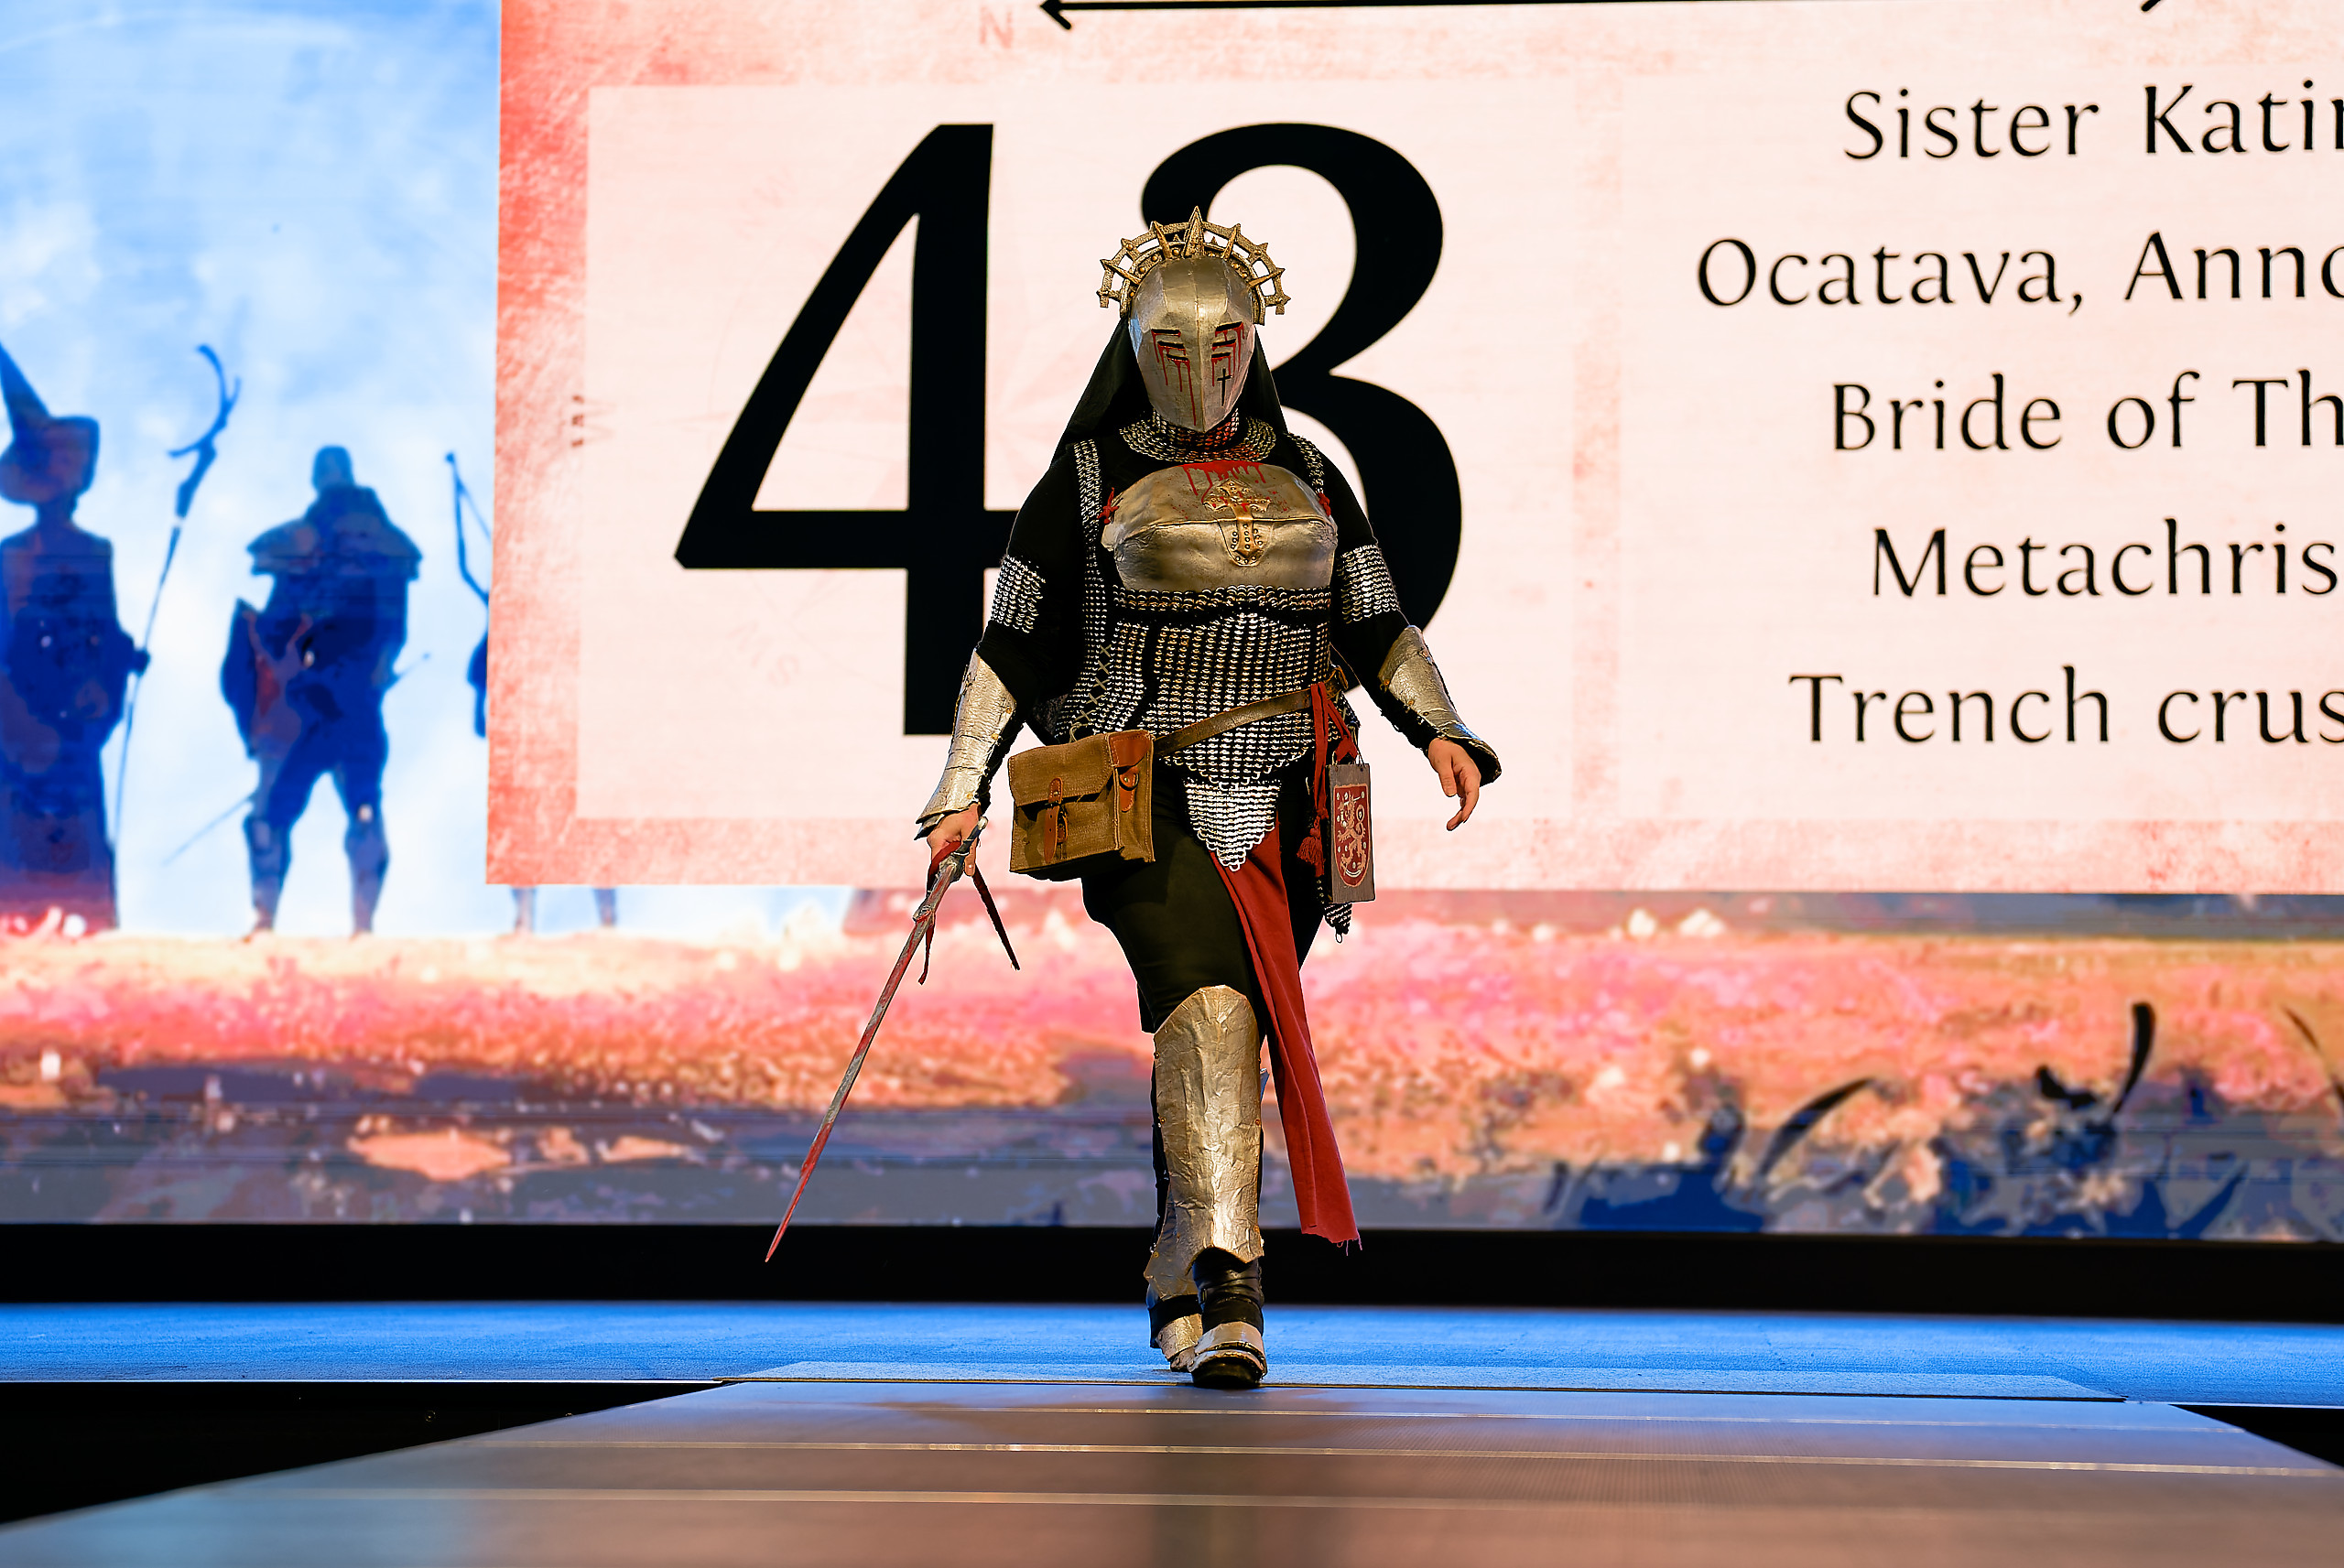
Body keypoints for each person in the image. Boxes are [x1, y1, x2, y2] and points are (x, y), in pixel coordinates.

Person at [917, 211, 1500, 1389]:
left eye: (1222, 344)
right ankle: (1235, 1282)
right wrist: (957, 787)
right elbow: (1013, 643)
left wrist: (1441, 728)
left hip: (1291, 796)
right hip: (1149, 792)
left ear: (1252, 343)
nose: (1199, 368)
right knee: (1212, 1007)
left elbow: (1375, 621)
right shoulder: (1085, 478)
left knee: (1227, 1030)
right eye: (1172, 346)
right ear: (1135, 347)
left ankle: (1174, 1264)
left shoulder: (1312, 475)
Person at [222, 447, 418, 935]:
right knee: (362, 806)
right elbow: (395, 629)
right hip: (352, 700)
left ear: (318, 480)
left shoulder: (302, 542)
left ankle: (266, 919)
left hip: (310, 703)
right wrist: (377, 668)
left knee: (273, 816)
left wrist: (288, 665)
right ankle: (361, 926)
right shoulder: (385, 544)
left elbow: (272, 627)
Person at [0, 342, 145, 932]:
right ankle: (22, 912)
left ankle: (79, 913)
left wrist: (122, 656)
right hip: (22, 697)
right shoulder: (10, 556)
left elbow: (102, 625)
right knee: (24, 801)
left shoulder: (92, 552)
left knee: (75, 796)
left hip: (76, 699)